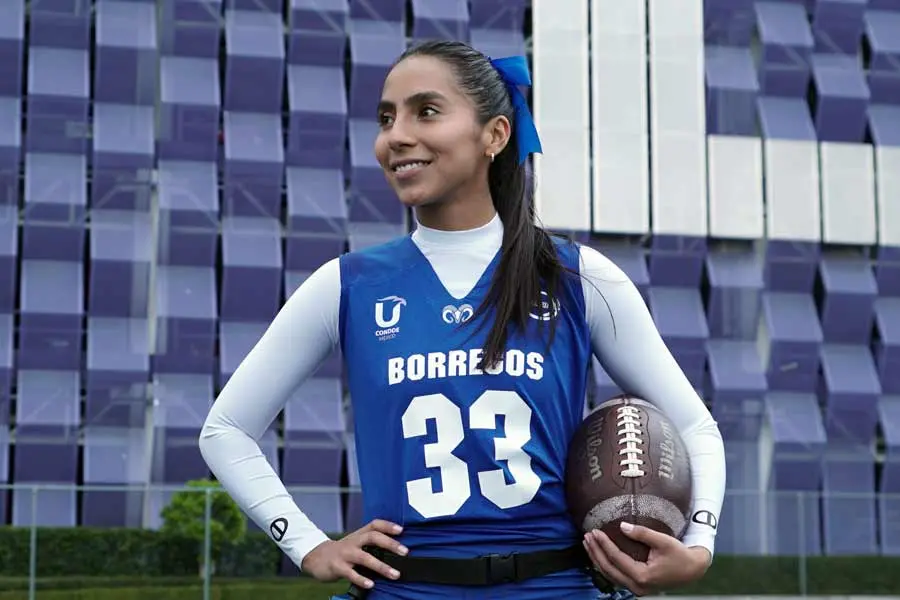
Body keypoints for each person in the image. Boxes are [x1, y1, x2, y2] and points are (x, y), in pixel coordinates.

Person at [199, 39, 726, 600]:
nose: (395, 135)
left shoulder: (576, 275)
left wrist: (699, 544)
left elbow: (695, 426)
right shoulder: (348, 284)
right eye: (386, 117)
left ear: (495, 135)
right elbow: (225, 430)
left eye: (426, 111)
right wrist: (307, 544)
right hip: (406, 589)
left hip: (557, 585)